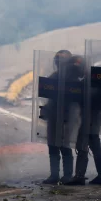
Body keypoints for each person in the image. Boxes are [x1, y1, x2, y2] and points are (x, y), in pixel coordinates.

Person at [66, 54, 101, 186]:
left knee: (89, 146)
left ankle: (91, 175)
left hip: (92, 116)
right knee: (87, 146)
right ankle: (87, 175)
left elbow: (99, 99)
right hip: (86, 116)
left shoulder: (94, 81)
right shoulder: (84, 82)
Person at [40, 50, 75, 185]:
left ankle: (67, 175)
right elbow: (48, 96)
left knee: (65, 146)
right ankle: (54, 175)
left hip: (67, 117)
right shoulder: (54, 77)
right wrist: (46, 110)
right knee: (53, 145)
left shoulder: (73, 79)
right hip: (54, 115)